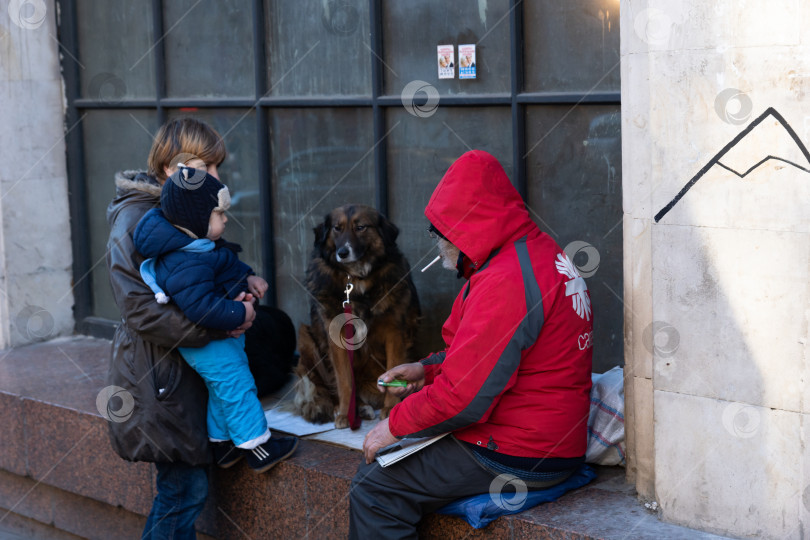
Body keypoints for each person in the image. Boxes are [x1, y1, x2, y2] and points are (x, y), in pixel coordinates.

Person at [348, 150, 594, 538]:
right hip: (547, 437)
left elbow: (464, 398)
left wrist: (392, 427)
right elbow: (487, 354)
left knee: (374, 486)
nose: (439, 243)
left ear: (468, 227)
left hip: (520, 449)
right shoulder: (538, 251)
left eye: (441, 232)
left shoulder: (505, 281)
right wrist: (426, 370)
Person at [105, 118, 292, 539]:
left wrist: (239, 290)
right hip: (160, 381)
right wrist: (220, 324)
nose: (218, 178)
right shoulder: (137, 220)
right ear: (174, 169)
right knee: (181, 494)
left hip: (179, 376)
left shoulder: (174, 210)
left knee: (185, 492)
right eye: (208, 168)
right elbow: (141, 312)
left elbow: (207, 266)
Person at [133, 162, 299, 474]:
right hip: (209, 343)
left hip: (218, 338)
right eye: (219, 214)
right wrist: (242, 312)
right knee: (237, 387)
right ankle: (258, 447)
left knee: (221, 390)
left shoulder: (197, 245)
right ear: (196, 219)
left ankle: (222, 445)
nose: (225, 219)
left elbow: (223, 261)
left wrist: (247, 277)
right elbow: (200, 308)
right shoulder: (185, 261)